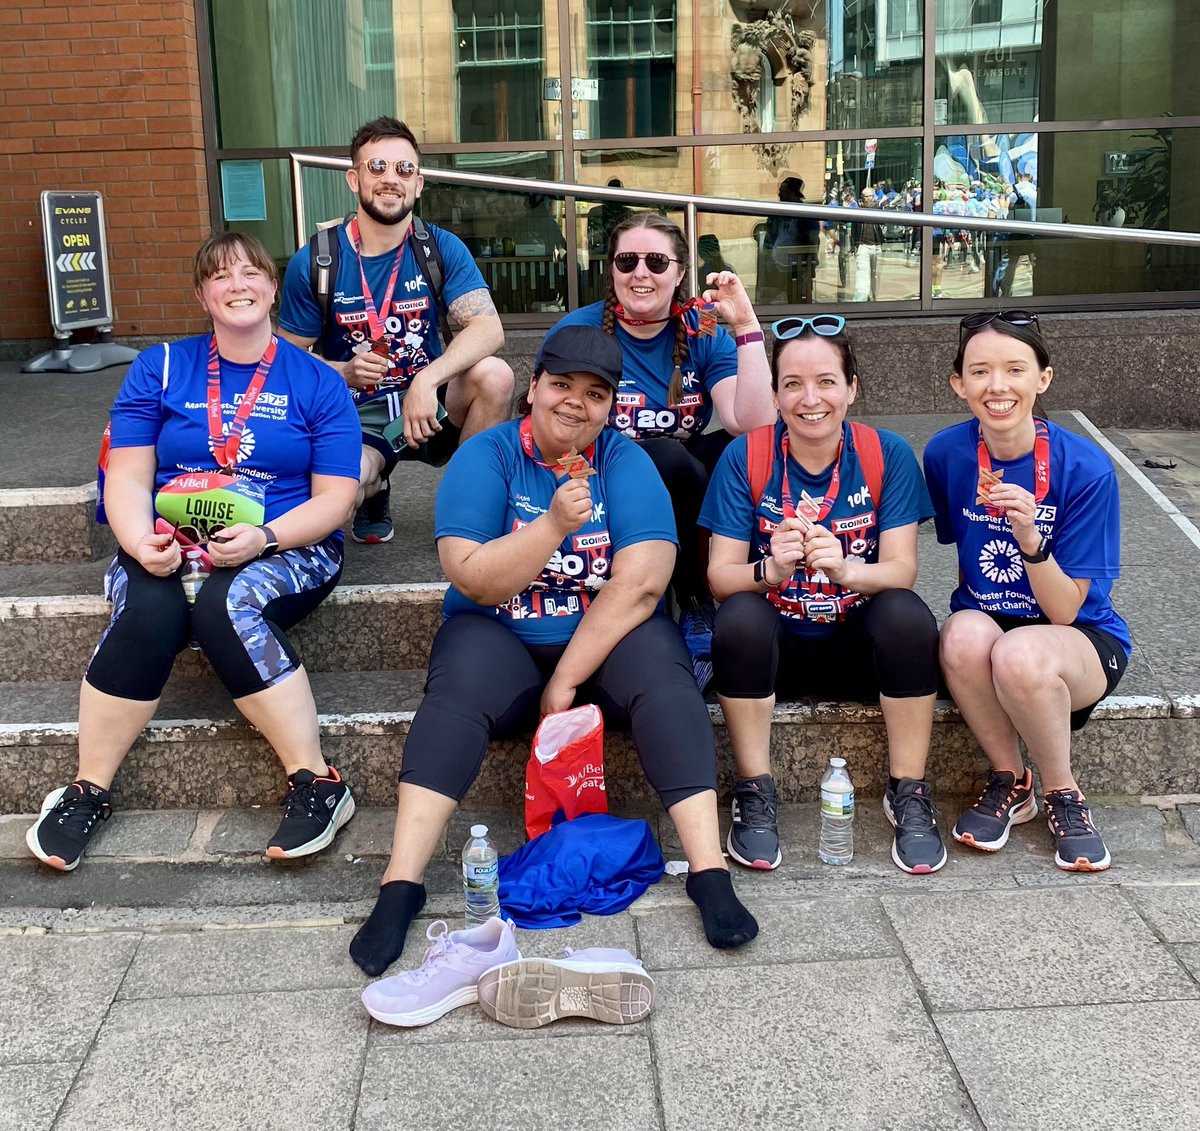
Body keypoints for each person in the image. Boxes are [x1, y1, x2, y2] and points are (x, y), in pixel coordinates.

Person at [348, 324, 759, 976]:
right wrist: (551, 528)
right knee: (454, 692)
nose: (575, 403)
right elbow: (473, 573)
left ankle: (708, 872)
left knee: (667, 674)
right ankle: (401, 884)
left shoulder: (622, 462)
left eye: (595, 394)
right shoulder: (487, 456)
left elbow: (645, 580)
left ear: (611, 407)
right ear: (533, 386)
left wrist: (565, 680)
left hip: (600, 644)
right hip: (500, 634)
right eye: (561, 384)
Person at [26, 233, 362, 872]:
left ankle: (319, 782)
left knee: (226, 606)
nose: (238, 284)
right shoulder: (160, 367)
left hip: (287, 544)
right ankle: (87, 789)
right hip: (169, 541)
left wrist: (265, 538)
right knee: (150, 612)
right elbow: (126, 476)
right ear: (202, 294)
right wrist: (137, 541)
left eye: (251, 272)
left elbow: (337, 499)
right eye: (220, 275)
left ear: (272, 286)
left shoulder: (318, 381)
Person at [699, 314, 946, 875]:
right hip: (776, 650)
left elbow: (902, 570)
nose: (811, 399)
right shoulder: (748, 457)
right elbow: (720, 577)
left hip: (855, 648)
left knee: (908, 617)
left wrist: (849, 570)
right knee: (738, 617)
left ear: (852, 387)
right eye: (793, 384)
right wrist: (770, 568)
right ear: (776, 393)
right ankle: (754, 792)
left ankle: (909, 790)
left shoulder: (886, 454)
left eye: (827, 381)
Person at [923, 311, 1130, 872]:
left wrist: (1031, 538)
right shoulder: (946, 454)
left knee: (1020, 653)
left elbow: (1065, 610)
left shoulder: (1085, 467)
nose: (997, 386)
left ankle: (1064, 794)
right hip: (988, 620)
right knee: (960, 635)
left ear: (1043, 379)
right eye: (980, 371)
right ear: (958, 384)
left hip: (1078, 639)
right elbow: (955, 543)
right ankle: (1011, 781)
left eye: (1015, 369)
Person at [552, 212, 776, 686]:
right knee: (664, 456)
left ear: (679, 273)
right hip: (598, 478)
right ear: (610, 269)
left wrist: (748, 329)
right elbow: (551, 432)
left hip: (681, 479)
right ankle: (691, 596)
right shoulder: (581, 330)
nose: (640, 273)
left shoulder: (703, 325)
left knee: (739, 454)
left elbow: (753, 423)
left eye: (656, 262)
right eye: (627, 260)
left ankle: (713, 594)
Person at [278, 116, 513, 546]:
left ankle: (469, 507)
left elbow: (488, 327)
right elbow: (283, 360)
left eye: (404, 169)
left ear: (419, 184)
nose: (391, 179)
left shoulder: (438, 248)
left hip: (429, 404)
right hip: (355, 410)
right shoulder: (316, 262)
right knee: (343, 492)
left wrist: (428, 378)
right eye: (377, 167)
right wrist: (342, 371)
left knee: (495, 376)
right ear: (354, 179)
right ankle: (374, 486)